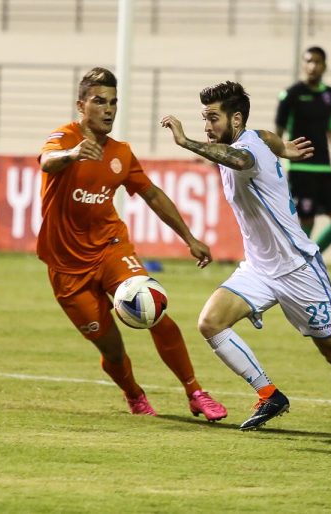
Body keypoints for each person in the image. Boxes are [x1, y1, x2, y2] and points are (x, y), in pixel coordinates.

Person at [160, 81, 331, 438]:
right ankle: (269, 395)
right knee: (210, 323)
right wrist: (283, 147)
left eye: (212, 118)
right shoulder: (252, 137)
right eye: (203, 118)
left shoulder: (243, 150)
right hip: (258, 268)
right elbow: (266, 136)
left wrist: (188, 142)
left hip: (297, 267)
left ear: (235, 119)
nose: (207, 126)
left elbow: (243, 159)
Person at [37, 67, 227, 421]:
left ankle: (195, 391)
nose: (108, 109)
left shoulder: (121, 153)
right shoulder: (64, 139)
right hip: (66, 267)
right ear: (81, 105)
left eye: (113, 103)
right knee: (110, 347)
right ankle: (134, 394)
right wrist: (73, 155)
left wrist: (189, 238)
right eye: (99, 102)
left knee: (154, 307)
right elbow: (47, 161)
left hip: (111, 248)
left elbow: (152, 194)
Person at [275, 46, 331, 253]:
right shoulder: (291, 95)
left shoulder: (329, 95)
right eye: (308, 61)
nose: (312, 66)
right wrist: (273, 163)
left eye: (317, 62)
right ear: (303, 64)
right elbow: (278, 133)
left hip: (324, 168)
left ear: (324, 66)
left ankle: (311, 258)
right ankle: (298, 264)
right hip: (300, 168)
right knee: (306, 221)